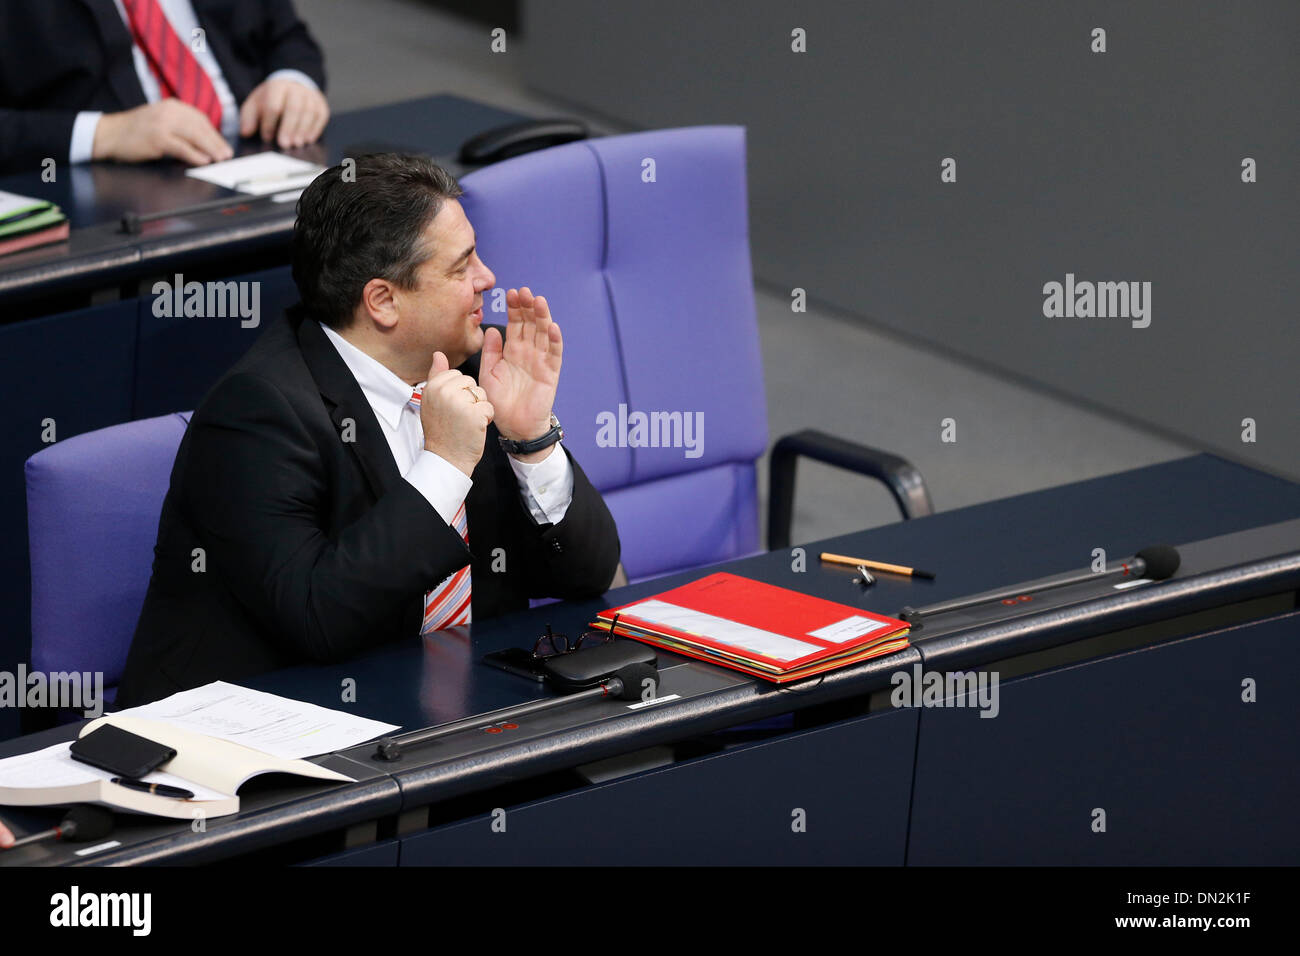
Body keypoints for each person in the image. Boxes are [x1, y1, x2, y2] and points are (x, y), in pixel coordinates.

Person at [115, 153, 622, 705]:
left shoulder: (478, 365)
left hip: (456, 703)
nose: (488, 279)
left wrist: (530, 440)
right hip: (266, 737)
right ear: (382, 301)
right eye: (462, 266)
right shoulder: (257, 413)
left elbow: (589, 575)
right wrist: (446, 465)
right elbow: (319, 619)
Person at [0, 0, 328, 174]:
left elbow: (288, 38)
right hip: (115, 191)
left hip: (260, 155)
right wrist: (105, 134)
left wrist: (292, 80)